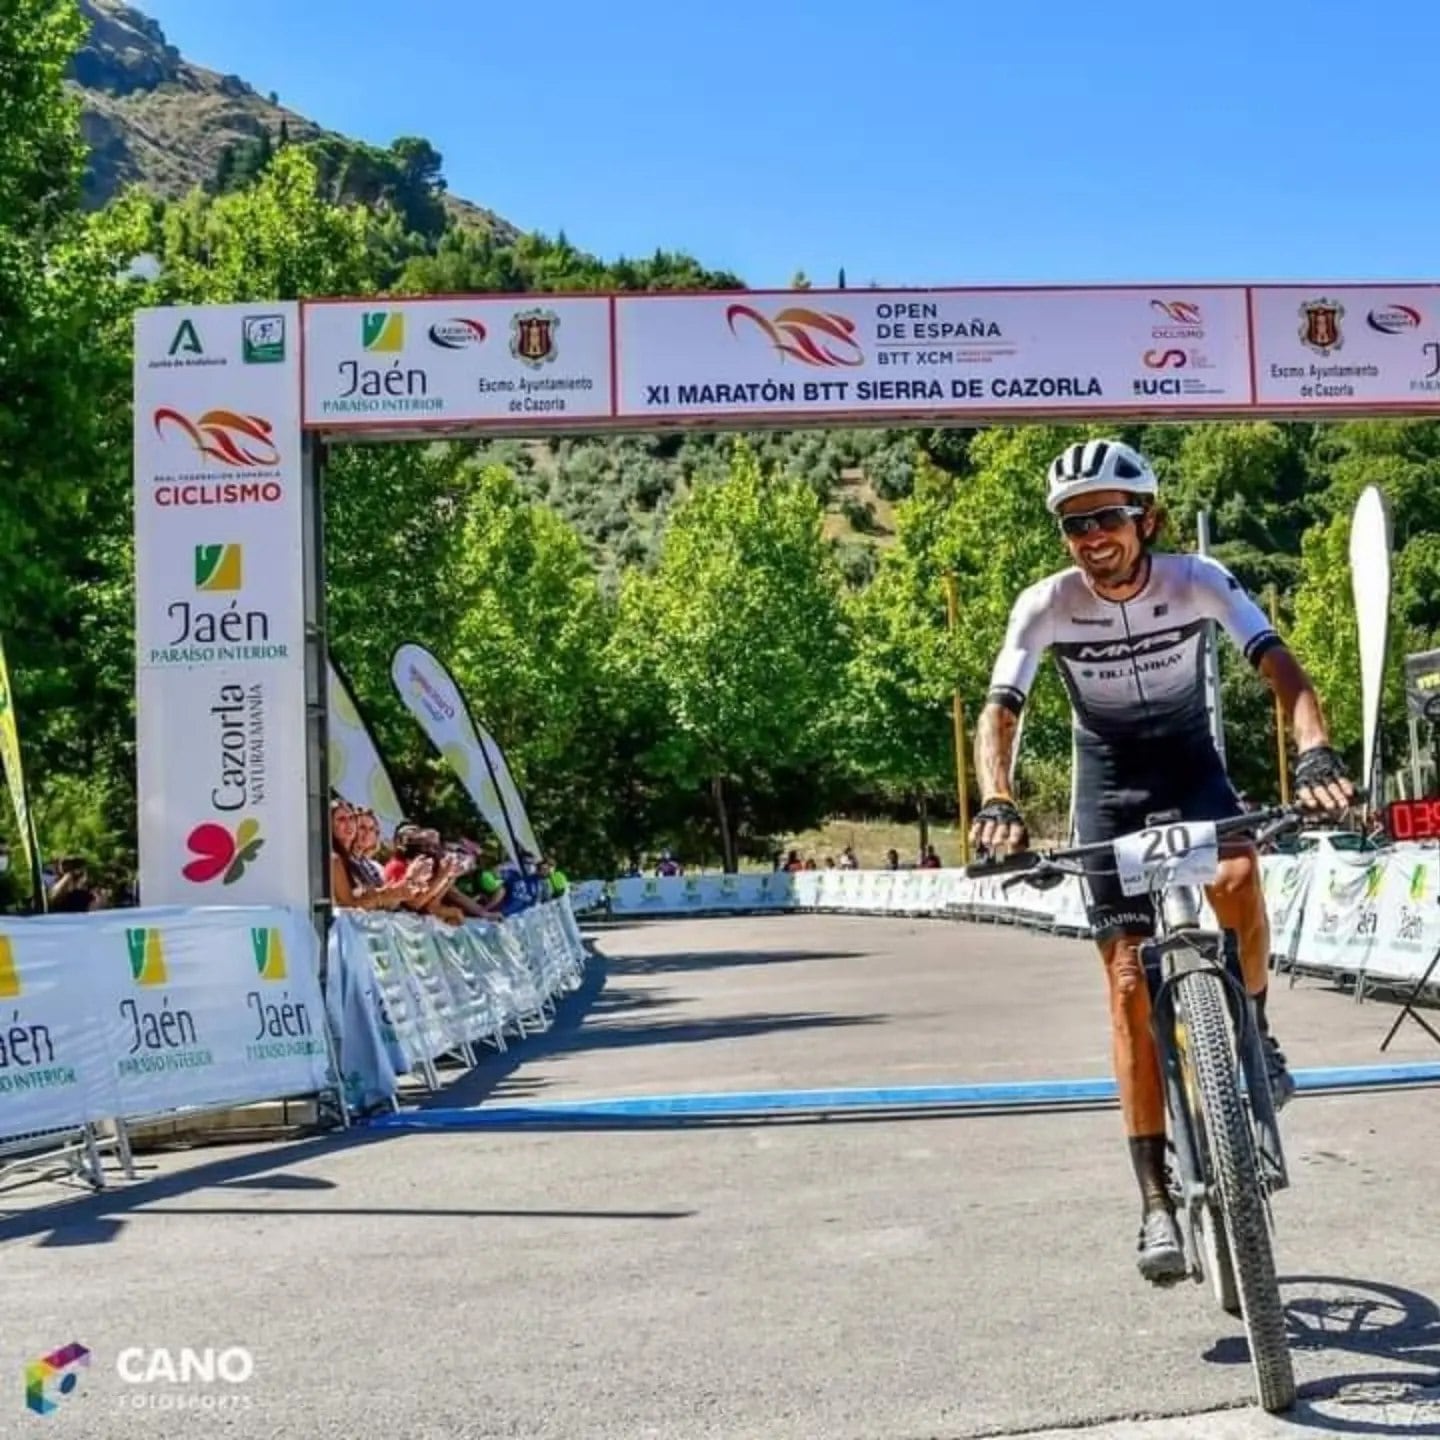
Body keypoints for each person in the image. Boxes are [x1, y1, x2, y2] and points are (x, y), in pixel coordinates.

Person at [970, 437, 1354, 1285]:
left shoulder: (1199, 579)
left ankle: (1253, 1028)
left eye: (1107, 516)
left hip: (1191, 764)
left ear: (1145, 517)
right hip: (1106, 786)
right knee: (1126, 985)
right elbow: (1000, 712)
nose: (1092, 536)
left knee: (1242, 878)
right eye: (1074, 523)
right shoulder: (1046, 604)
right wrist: (997, 800)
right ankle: (1154, 1200)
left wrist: (1316, 749)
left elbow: (1282, 670)